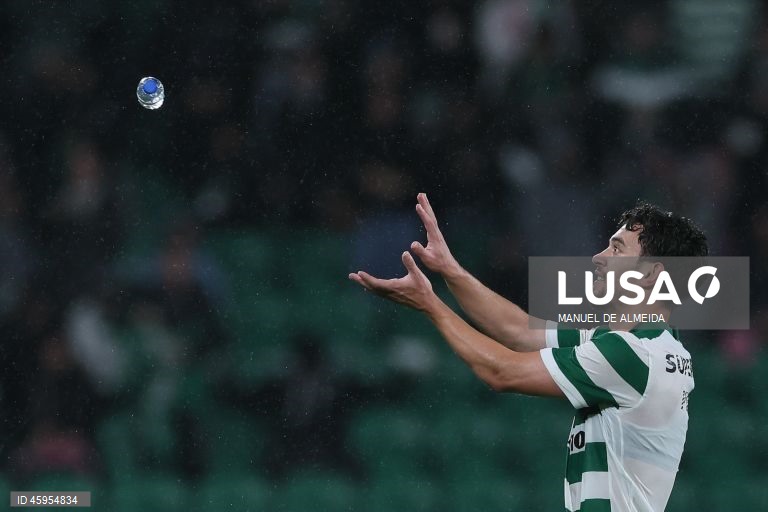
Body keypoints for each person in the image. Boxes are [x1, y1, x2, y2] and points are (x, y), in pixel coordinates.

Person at [349, 193, 708, 512]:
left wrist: (431, 305)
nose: (599, 256)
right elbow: (518, 330)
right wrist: (449, 270)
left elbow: (502, 372)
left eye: (616, 249)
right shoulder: (647, 345)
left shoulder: (630, 355)